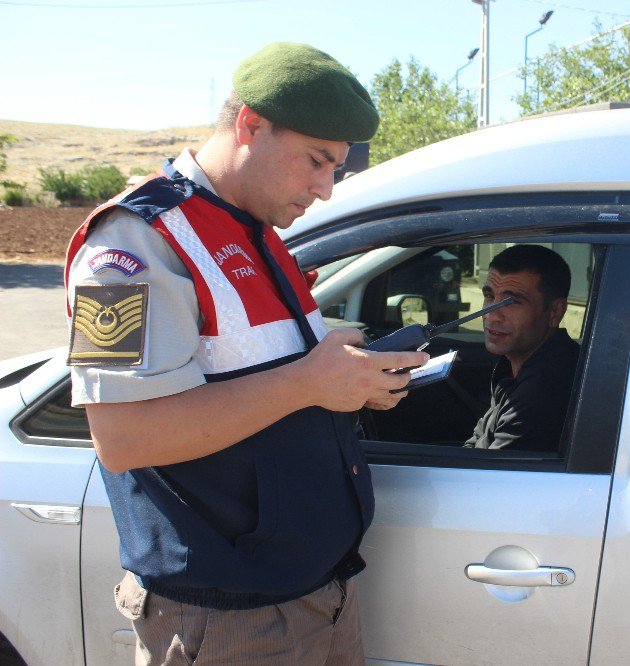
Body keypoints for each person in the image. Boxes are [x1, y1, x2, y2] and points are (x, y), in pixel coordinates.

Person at [63, 42, 428, 665]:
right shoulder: (133, 243)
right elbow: (125, 437)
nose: (326, 189)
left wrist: (345, 377)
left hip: (315, 593)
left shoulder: (254, 228)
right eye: (317, 161)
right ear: (250, 124)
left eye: (336, 168)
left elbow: (268, 368)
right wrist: (308, 384)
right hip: (227, 621)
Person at [465, 245, 581, 451]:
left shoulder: (545, 389)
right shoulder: (520, 365)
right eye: (490, 297)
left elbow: (489, 476)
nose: (492, 315)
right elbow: (478, 440)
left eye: (512, 302)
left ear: (555, 311)